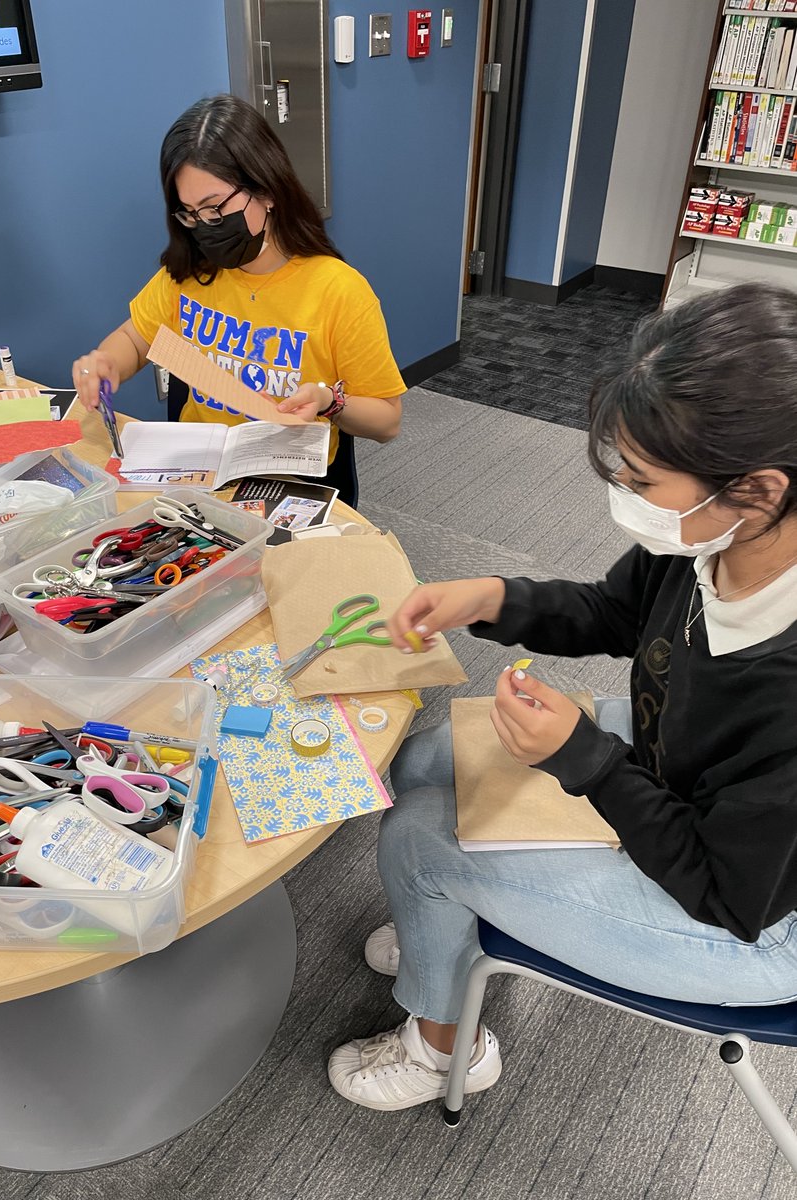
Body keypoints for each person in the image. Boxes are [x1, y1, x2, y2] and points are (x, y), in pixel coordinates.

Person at [328, 282, 797, 1112]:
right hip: (684, 778)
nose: (623, 495)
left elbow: (727, 892)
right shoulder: (710, 537)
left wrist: (585, 760)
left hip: (751, 924)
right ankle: (444, 929)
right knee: (426, 757)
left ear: (756, 491)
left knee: (421, 840)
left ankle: (447, 1048)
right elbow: (618, 611)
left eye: (643, 480)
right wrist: (492, 598)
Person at [73, 94, 405, 504]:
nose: (206, 227)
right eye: (190, 214)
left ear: (266, 191)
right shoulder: (190, 273)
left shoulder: (338, 290)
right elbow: (135, 339)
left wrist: (329, 401)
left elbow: (387, 422)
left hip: (289, 485)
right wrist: (107, 362)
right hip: (199, 477)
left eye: (215, 209)